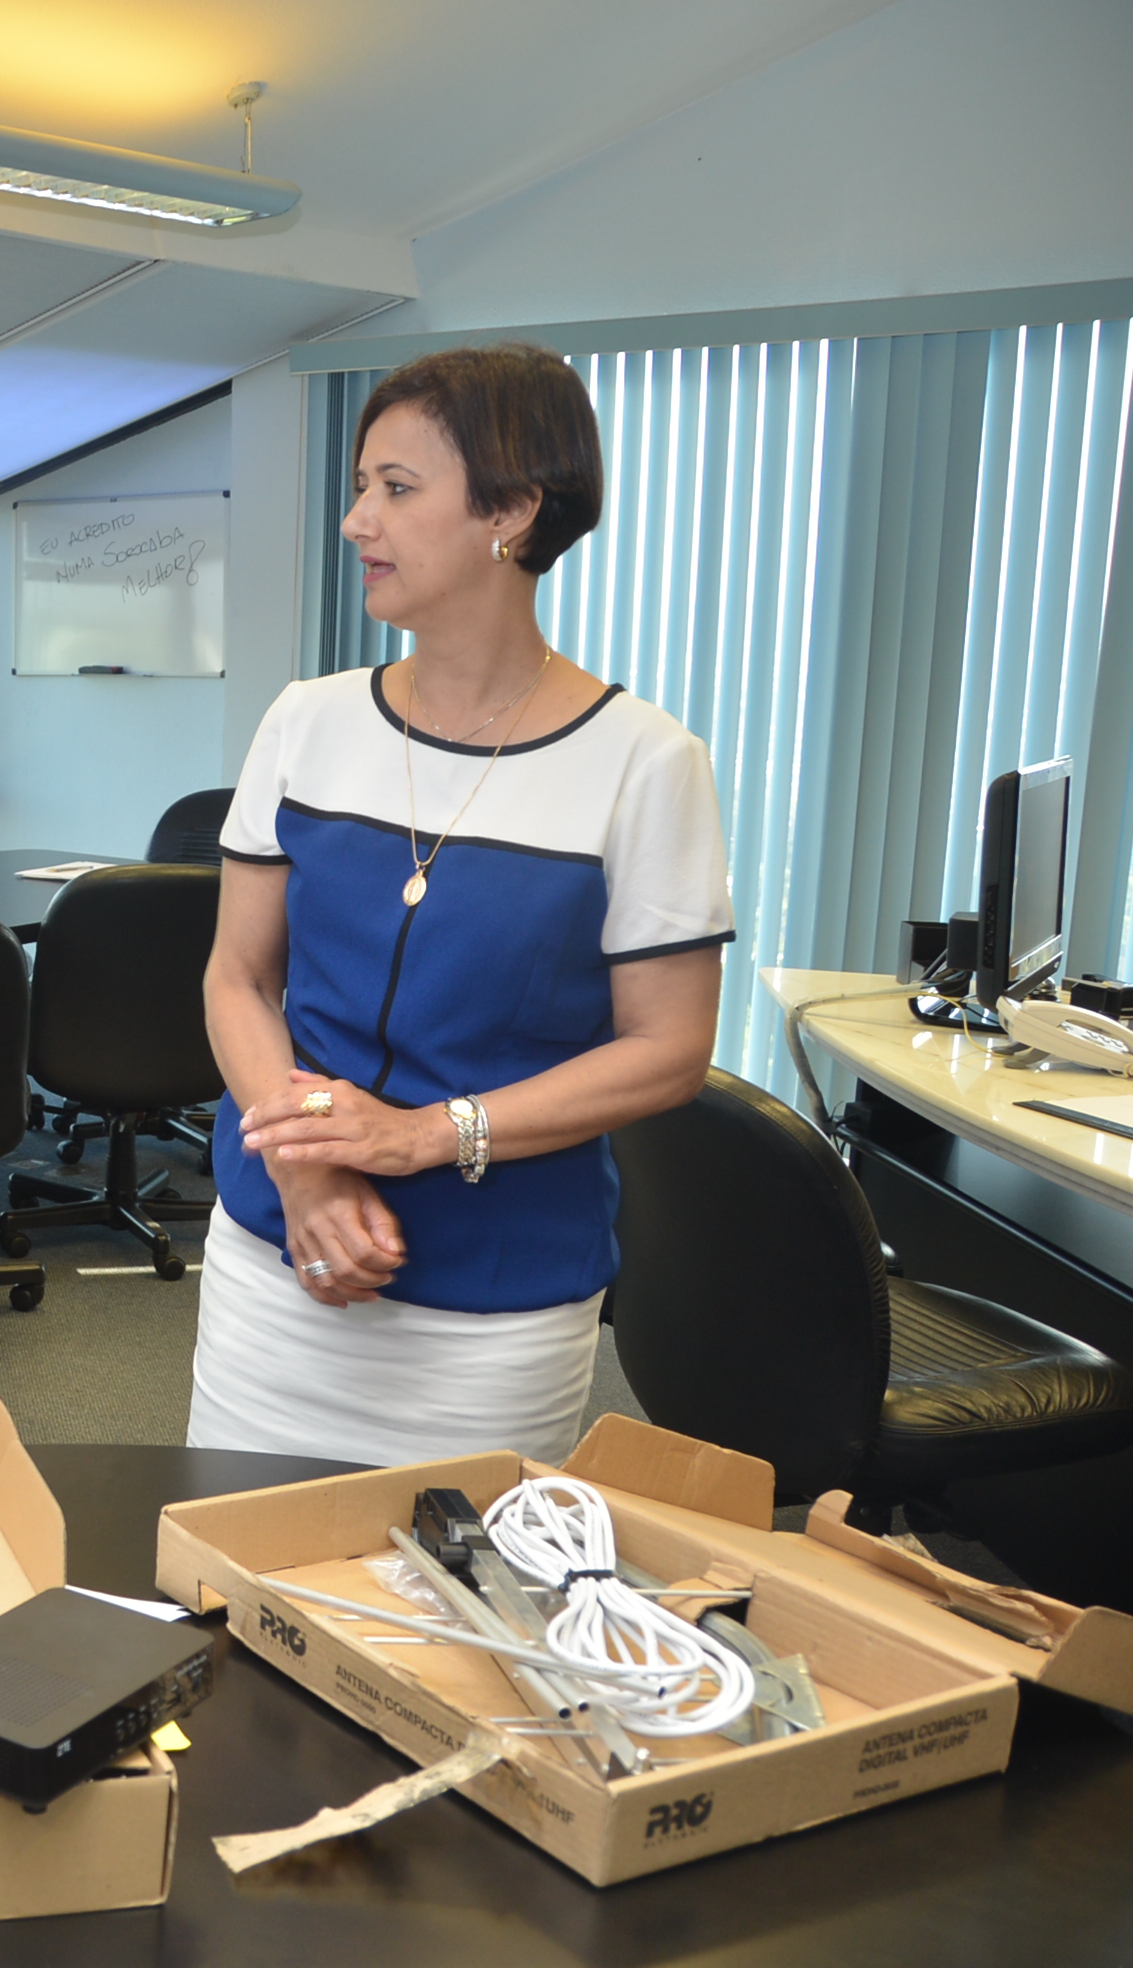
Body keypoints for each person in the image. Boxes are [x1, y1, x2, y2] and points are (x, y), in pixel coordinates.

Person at [192, 343, 731, 1466]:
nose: (357, 521)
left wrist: (420, 1138)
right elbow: (238, 977)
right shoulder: (305, 722)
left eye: (396, 489)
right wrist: (303, 1167)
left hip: (496, 1304)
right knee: (226, 1551)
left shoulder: (645, 762)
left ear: (512, 512)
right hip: (278, 1257)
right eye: (360, 487)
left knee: (454, 1573)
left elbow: (669, 1051)